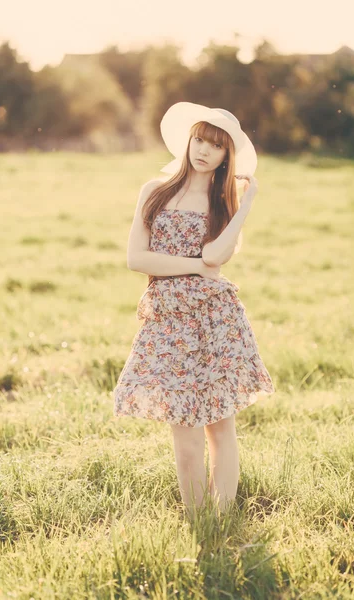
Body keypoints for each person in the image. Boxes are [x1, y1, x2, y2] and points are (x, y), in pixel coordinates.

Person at [113, 102, 275, 519]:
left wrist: (247, 202)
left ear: (227, 156)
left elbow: (217, 257)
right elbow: (137, 258)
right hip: (167, 320)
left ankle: (220, 522)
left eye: (216, 146)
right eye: (199, 139)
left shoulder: (225, 200)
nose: (204, 150)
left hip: (214, 319)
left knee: (220, 425)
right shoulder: (155, 190)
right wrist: (195, 268)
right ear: (189, 139)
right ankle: (198, 520)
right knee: (183, 430)